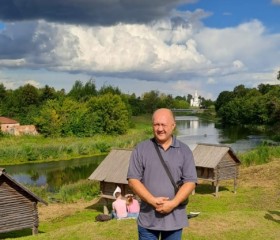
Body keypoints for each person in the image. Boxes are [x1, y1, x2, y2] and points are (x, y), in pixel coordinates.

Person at [127, 108, 197, 240]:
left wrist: (173, 203)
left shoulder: (184, 151)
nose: (160, 129)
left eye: (163, 125)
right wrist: (152, 201)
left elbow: (190, 182)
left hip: (174, 220)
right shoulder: (141, 149)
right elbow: (133, 180)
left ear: (173, 125)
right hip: (148, 220)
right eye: (156, 124)